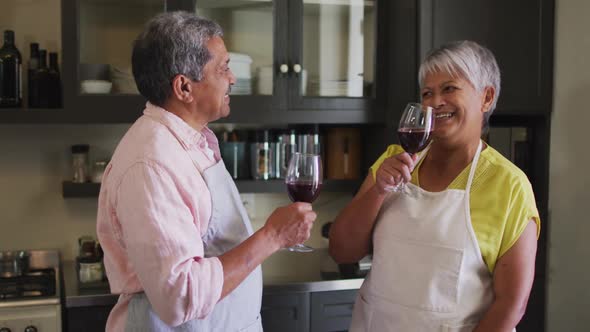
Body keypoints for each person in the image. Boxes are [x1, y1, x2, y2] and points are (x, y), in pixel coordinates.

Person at [96, 11, 317, 331]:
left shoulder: (192, 141)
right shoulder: (150, 166)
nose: (233, 78)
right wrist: (272, 236)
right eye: (223, 68)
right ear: (184, 87)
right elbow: (179, 296)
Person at [329, 40, 539, 331]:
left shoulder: (509, 185)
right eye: (427, 93)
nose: (435, 101)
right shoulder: (393, 160)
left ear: (486, 97)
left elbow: (511, 305)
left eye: (449, 88)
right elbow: (342, 251)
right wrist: (378, 191)